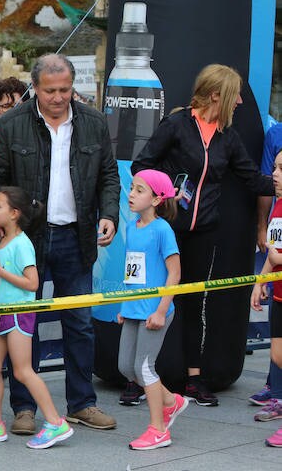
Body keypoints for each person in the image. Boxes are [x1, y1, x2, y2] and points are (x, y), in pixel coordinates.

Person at [0, 53, 120, 435]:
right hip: (27, 239)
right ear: (35, 88)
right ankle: (24, 408)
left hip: (77, 237)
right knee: (22, 325)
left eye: (64, 90)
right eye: (50, 91)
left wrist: (109, 214)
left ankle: (82, 404)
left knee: (79, 323)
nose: (58, 98)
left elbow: (109, 175)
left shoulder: (92, 122)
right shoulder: (11, 123)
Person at [132, 63, 273, 405]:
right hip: (165, 231)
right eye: (234, 94)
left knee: (194, 301)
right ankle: (137, 378)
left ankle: (194, 379)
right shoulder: (177, 125)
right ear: (216, 95)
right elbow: (142, 165)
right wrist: (165, 193)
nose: (239, 101)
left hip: (203, 234)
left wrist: (280, 185)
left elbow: (253, 179)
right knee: (150, 300)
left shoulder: (228, 137)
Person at [0, 185, 73, 449]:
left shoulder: (22, 244)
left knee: (23, 370)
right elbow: (2, 274)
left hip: (17, 314)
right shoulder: (1, 241)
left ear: (15, 213)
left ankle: (55, 422)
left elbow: (31, 283)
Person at [114, 170, 188, 450]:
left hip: (154, 312)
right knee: (126, 367)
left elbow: (175, 273)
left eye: (140, 190)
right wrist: (124, 305)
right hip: (133, 309)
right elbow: (132, 272)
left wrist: (161, 310)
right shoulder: (132, 226)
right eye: (132, 188)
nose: (131, 194)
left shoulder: (162, 230)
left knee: (145, 368)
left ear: (157, 199)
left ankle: (158, 430)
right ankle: (171, 400)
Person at [251, 147, 282, 448]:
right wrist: (260, 282)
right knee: (276, 357)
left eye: (281, 169)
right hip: (279, 295)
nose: (274, 174)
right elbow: (273, 253)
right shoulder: (277, 205)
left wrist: (276, 257)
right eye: (275, 167)